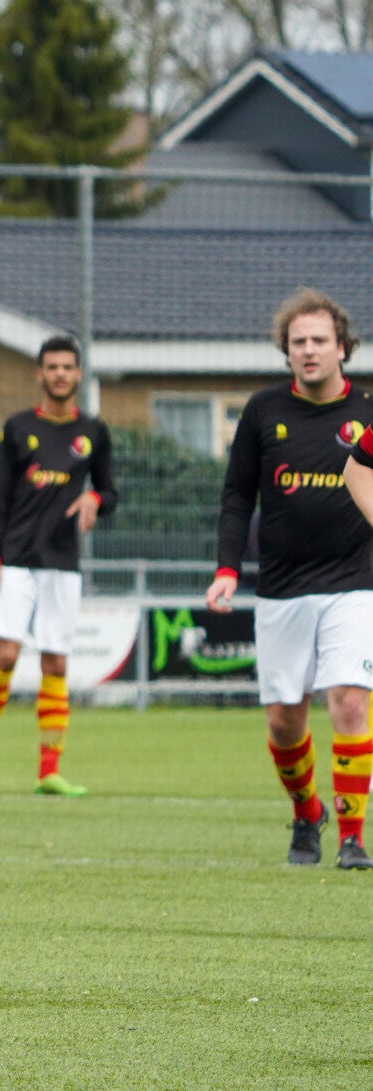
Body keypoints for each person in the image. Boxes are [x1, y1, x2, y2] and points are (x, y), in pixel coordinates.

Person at [210, 288, 373, 869]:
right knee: (284, 721)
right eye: (298, 341)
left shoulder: (367, 413)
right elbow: (237, 496)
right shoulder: (263, 411)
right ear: (286, 350)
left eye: (319, 340)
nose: (308, 350)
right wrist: (227, 568)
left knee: (349, 703)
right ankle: (307, 812)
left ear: (342, 347)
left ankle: (352, 838)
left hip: (355, 583)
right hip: (282, 588)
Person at [0, 336, 117, 798]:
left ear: (79, 374)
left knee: (55, 662)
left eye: (68, 367)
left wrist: (94, 499)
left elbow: (110, 490)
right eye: (53, 367)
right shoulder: (17, 428)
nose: (60, 374)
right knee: (7, 655)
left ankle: (49, 770)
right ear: (40, 374)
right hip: (16, 560)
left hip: (63, 564)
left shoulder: (94, 432)